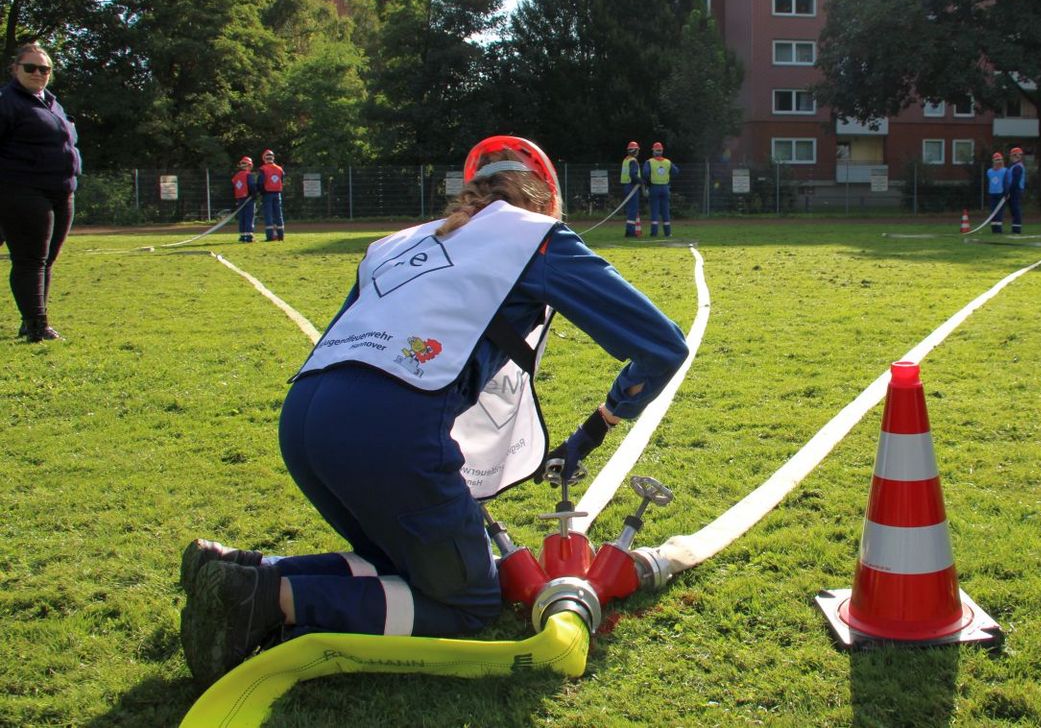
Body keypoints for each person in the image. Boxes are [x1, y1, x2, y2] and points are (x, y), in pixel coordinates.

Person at [178, 135, 689, 686]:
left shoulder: (395, 243)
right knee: (470, 601)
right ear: (546, 200)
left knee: (401, 563)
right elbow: (661, 345)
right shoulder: (535, 239)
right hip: (388, 429)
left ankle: (243, 571)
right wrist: (602, 421)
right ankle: (272, 598)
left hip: (305, 416)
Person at [0, 43, 81, 343]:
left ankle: (33, 319)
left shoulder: (51, 103)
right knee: (30, 259)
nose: (38, 73)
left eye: (44, 69)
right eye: (30, 67)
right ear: (15, 69)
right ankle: (36, 325)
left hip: (61, 190)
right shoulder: (7, 102)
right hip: (22, 190)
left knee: (47, 259)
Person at [642, 141, 679, 238]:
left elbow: (645, 174)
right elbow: (676, 171)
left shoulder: (649, 162)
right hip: (665, 188)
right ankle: (668, 233)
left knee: (655, 211)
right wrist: (667, 177)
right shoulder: (667, 162)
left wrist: (647, 183)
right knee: (665, 211)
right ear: (662, 151)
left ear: (654, 151)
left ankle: (654, 233)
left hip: (654, 187)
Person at [259, 149, 285, 241]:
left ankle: (270, 236)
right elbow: (281, 180)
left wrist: (260, 192)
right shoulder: (280, 169)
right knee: (278, 215)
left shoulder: (263, 169)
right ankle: (280, 235)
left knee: (268, 215)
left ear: (264, 158)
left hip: (267, 194)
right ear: (273, 158)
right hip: (277, 193)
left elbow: (261, 182)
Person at [231, 156, 259, 243]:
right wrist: (254, 195)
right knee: (249, 217)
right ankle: (249, 236)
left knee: (242, 218)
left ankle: (242, 236)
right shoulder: (248, 175)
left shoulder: (236, 176)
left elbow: (234, 187)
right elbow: (251, 185)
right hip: (248, 199)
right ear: (250, 165)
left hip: (240, 199)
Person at [620, 140, 642, 237]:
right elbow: (633, 174)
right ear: (635, 151)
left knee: (630, 209)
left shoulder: (626, 160)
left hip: (626, 186)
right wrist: (641, 181)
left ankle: (629, 230)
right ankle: (631, 232)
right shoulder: (633, 161)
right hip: (632, 186)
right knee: (633, 210)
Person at [1004, 147, 1026, 234]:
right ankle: (1015, 228)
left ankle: (1016, 229)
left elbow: (1015, 181)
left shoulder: (1018, 167)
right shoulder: (1014, 166)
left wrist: (1010, 191)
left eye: (1013, 155)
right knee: (1013, 209)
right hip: (1013, 190)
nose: (1011, 157)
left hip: (1015, 190)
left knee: (1015, 209)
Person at [985, 152, 1007, 233]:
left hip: (1001, 193)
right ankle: (994, 228)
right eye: (997, 160)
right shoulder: (989, 171)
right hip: (992, 193)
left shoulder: (1005, 170)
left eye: (1000, 160)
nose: (999, 161)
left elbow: (1006, 182)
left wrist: (1006, 192)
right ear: (993, 161)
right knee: (993, 211)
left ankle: (998, 228)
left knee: (999, 211)